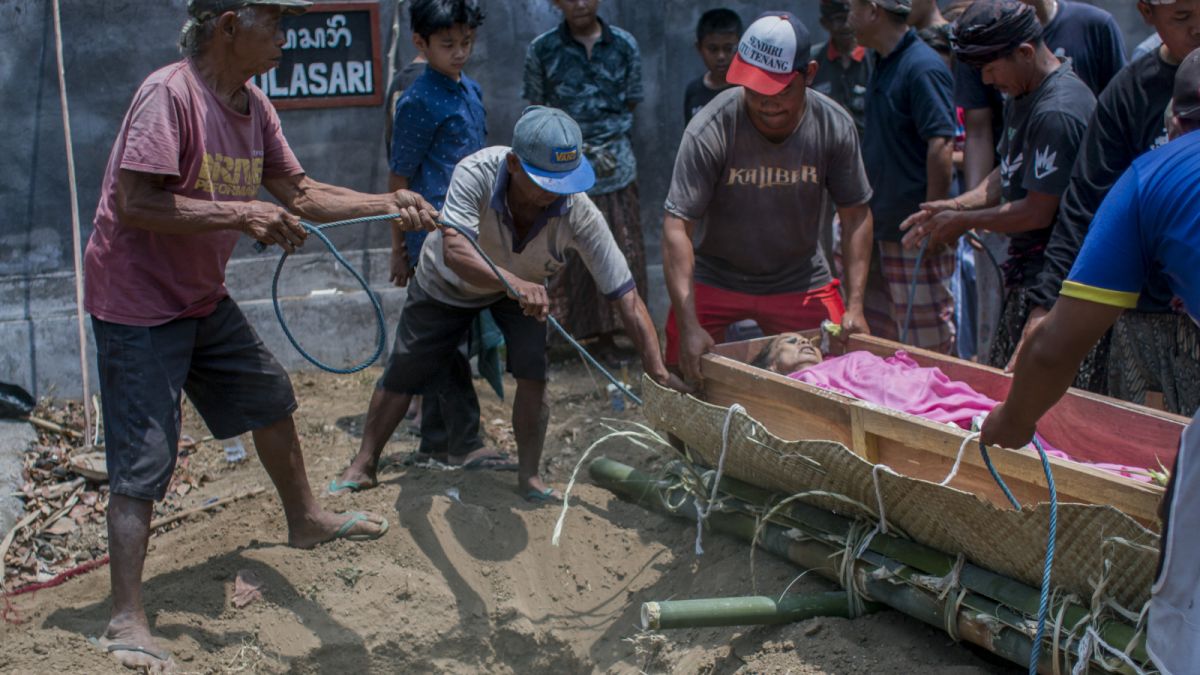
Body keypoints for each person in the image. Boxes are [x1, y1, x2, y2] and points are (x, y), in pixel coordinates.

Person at [82, 1, 438, 670]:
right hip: (135, 301)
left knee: (269, 392)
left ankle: (304, 520)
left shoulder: (255, 106)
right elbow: (136, 202)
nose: (284, 35)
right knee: (145, 455)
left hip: (196, 294)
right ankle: (125, 614)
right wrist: (243, 212)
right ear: (226, 27)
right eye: (272, 21)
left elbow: (300, 192)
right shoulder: (169, 96)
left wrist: (389, 203)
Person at [333, 107, 684, 502]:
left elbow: (625, 294)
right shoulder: (476, 173)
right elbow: (455, 250)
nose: (554, 192)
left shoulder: (578, 210)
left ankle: (529, 476)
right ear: (514, 163)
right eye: (544, 181)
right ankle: (364, 464)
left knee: (534, 373)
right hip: (447, 283)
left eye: (564, 181)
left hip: (524, 290)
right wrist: (513, 282)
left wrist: (656, 368)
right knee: (406, 366)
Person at [982, 51, 1200, 672]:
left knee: (1184, 604)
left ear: (1173, 122)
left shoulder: (1152, 177)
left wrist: (1015, 423)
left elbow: (1055, 346)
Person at [661, 12, 875, 385]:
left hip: (800, 276)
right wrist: (689, 322)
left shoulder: (833, 126)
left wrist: (856, 305)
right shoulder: (711, 127)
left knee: (843, 367)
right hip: (717, 274)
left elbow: (856, 215)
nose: (766, 102)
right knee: (681, 367)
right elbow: (677, 225)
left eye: (779, 90)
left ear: (808, 74)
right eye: (755, 89)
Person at [1017, 0, 1200, 408]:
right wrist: (1046, 303)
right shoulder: (1129, 92)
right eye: (1183, 17)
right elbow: (1084, 204)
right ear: (1147, 13)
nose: (1198, 29)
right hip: (1140, 315)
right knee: (1137, 455)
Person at [900, 0, 1096, 372]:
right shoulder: (1024, 92)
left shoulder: (1057, 110)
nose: (987, 81)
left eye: (990, 68)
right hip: (1028, 271)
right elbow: (1008, 172)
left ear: (1024, 52)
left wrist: (965, 222)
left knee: (1038, 390)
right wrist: (957, 206)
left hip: (1061, 281)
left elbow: (1038, 212)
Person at [368, 0, 509, 478]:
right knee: (442, 340)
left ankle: (434, 440)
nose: (459, 52)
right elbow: (399, 180)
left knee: (449, 338)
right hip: (431, 238)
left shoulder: (471, 89)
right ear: (421, 44)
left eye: (466, 42)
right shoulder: (417, 100)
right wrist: (398, 247)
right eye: (447, 44)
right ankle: (463, 441)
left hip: (472, 233)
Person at [523, 0, 646, 361]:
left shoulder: (624, 44)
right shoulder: (542, 49)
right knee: (565, 254)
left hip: (617, 165)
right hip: (563, 169)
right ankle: (570, 337)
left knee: (624, 250)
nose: (579, 3)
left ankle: (620, 335)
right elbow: (537, 108)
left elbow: (632, 102)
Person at [849, 0, 957, 354]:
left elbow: (941, 144)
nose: (849, 18)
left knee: (927, 344)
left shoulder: (921, 66)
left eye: (853, 8)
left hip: (911, 230)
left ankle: (936, 411)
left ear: (874, 11)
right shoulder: (881, 61)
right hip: (878, 225)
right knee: (880, 339)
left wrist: (932, 221)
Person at [811, 0, 873, 138]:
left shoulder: (876, 59)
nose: (846, 25)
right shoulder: (813, 62)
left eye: (850, 17)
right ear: (825, 23)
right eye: (839, 19)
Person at [683, 8, 743, 123]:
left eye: (728, 49)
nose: (721, 56)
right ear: (699, 48)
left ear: (741, 46)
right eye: (713, 49)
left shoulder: (747, 89)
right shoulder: (693, 91)